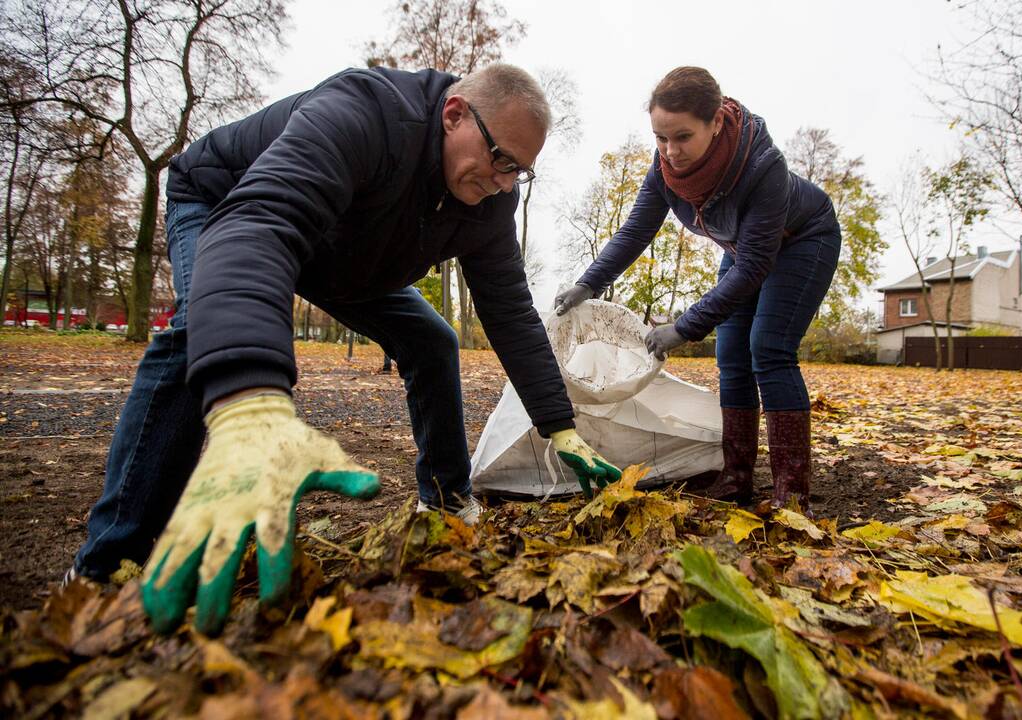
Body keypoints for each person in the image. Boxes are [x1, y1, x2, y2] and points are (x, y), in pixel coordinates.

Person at [70, 63, 621, 636]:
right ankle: (106, 563)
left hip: (343, 256)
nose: (506, 182)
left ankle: (447, 500)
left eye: (521, 172)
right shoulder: (365, 112)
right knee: (195, 333)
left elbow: (508, 310)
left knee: (433, 340)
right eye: (502, 160)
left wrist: (558, 424)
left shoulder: (488, 198)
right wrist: (250, 398)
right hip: (227, 203)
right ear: (454, 114)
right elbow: (263, 223)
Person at [556, 67, 841, 512]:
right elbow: (635, 232)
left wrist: (684, 327)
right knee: (731, 356)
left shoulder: (762, 166)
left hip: (801, 240)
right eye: (660, 137)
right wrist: (587, 283)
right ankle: (737, 476)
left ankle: (792, 493)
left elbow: (753, 267)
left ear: (715, 123)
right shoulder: (665, 169)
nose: (670, 151)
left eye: (683, 136)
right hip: (745, 249)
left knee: (767, 348)